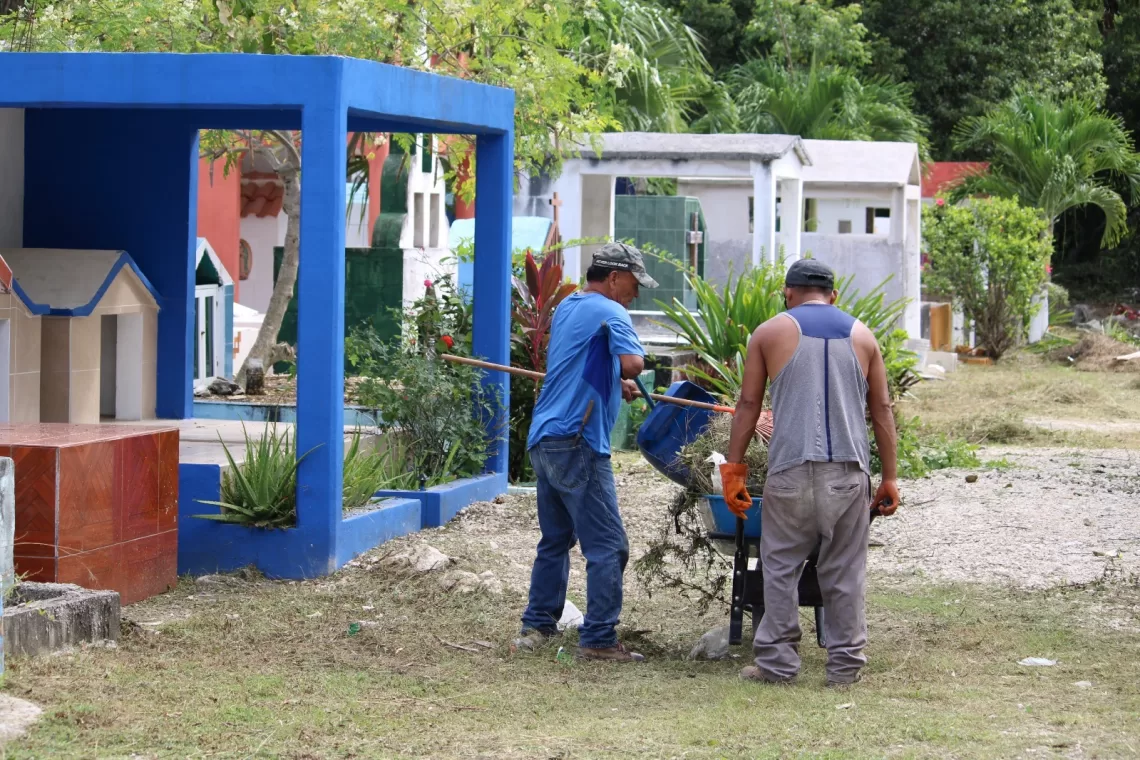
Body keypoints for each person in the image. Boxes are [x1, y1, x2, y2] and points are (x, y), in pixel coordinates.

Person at [720, 258, 900, 687]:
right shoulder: (863, 335)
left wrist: (734, 469)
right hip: (848, 474)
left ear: (788, 292)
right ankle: (844, 667)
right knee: (844, 571)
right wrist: (890, 476)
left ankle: (778, 665)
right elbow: (882, 409)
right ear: (833, 295)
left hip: (790, 472)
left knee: (780, 567)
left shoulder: (768, 333)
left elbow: (747, 406)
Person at [513, 243, 658, 663]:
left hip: (545, 439)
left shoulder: (569, 306)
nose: (635, 293)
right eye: (633, 284)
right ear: (614, 277)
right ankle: (597, 638)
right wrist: (626, 371)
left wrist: (614, 380)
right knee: (609, 546)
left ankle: (537, 624)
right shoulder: (611, 311)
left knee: (555, 540)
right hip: (578, 441)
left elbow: (586, 363)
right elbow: (633, 362)